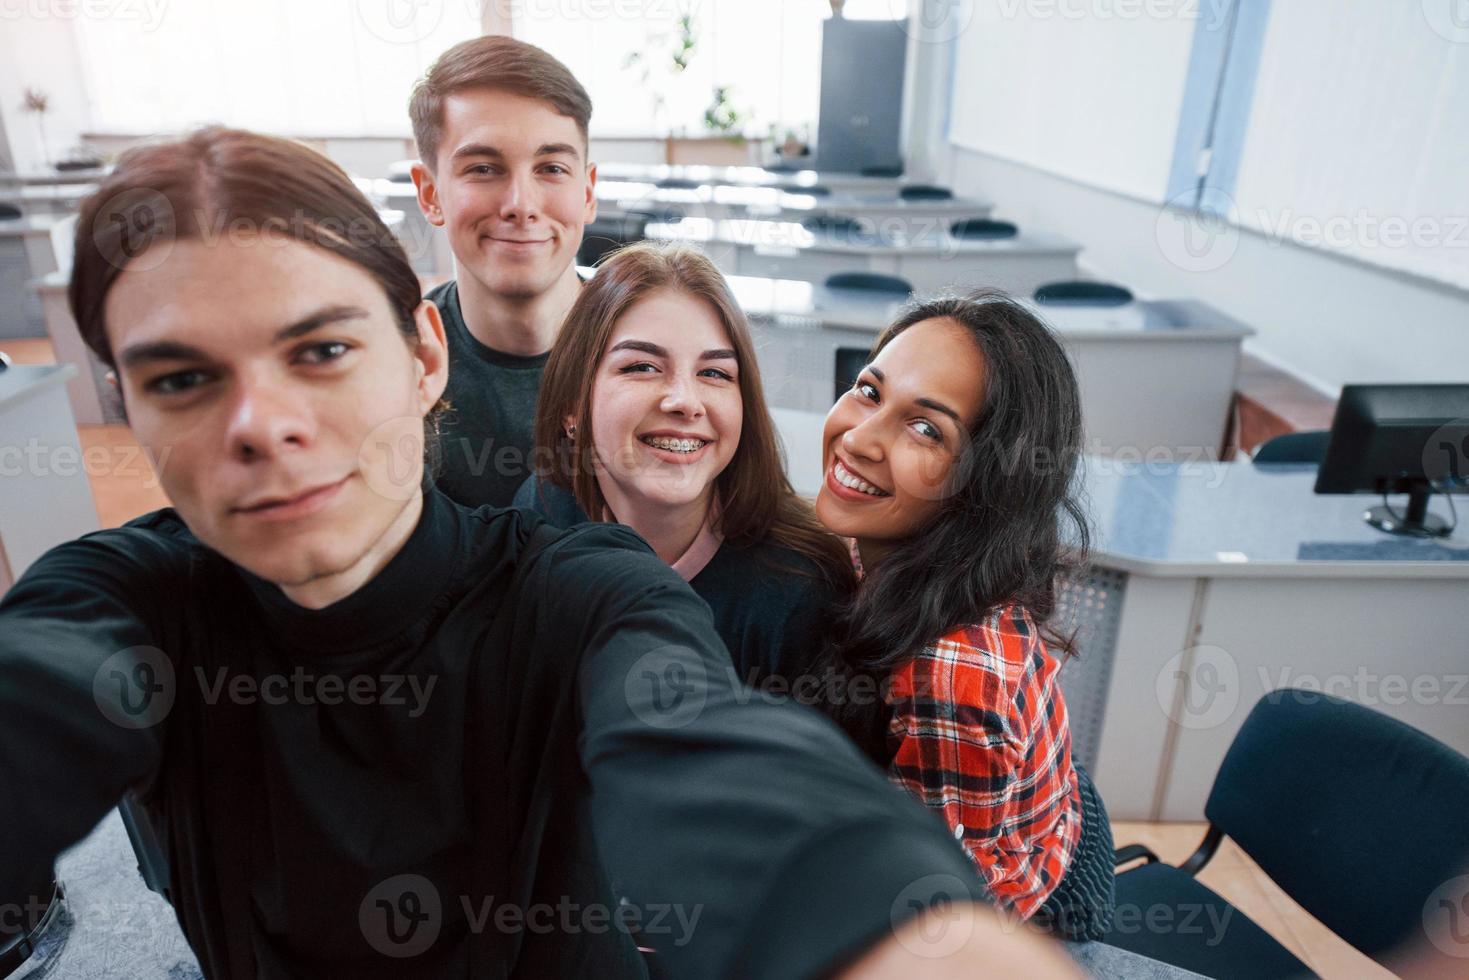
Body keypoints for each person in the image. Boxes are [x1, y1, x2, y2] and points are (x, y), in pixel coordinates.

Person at [0, 128, 1082, 979]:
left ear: (424, 354)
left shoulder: (584, 585)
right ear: (126, 408)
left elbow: (713, 757)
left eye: (321, 349)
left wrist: (891, 931)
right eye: (182, 378)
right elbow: (36, 691)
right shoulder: (124, 596)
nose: (261, 423)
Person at [810, 294, 1116, 940]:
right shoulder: (900, 544)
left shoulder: (950, 679)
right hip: (1044, 810)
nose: (860, 438)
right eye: (868, 391)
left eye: (926, 429)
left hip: (1039, 896)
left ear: (985, 484)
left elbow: (943, 914)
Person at [513, 241, 852, 685]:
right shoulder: (542, 510)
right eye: (642, 367)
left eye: (714, 373)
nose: (686, 402)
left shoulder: (801, 592)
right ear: (572, 407)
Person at [407, 35, 597, 507]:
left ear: (588, 192)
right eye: (484, 169)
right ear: (431, 194)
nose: (521, 206)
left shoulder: (671, 352)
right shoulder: (397, 368)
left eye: (551, 168)